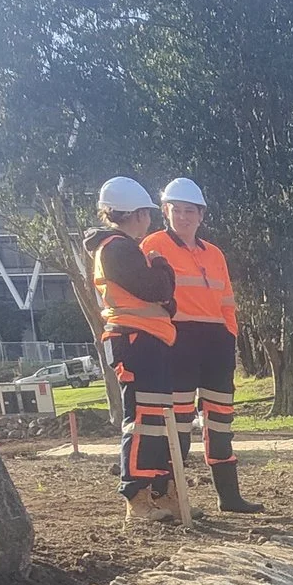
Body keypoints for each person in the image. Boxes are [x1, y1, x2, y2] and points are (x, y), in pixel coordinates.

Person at [143, 177, 262, 513]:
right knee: (178, 423)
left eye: (189, 211)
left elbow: (227, 301)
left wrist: (230, 335)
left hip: (216, 344)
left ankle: (229, 496)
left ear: (200, 215)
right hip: (177, 342)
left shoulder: (215, 254)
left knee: (221, 420)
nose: (183, 217)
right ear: (166, 211)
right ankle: (171, 498)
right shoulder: (153, 245)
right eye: (176, 210)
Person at [84, 177, 179, 520]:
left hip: (147, 340)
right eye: (148, 214)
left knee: (153, 419)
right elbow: (157, 290)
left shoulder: (123, 249)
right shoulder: (116, 249)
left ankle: (160, 491)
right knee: (141, 420)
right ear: (136, 214)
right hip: (135, 342)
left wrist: (164, 287)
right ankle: (136, 497)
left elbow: (166, 300)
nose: (150, 221)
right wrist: (163, 268)